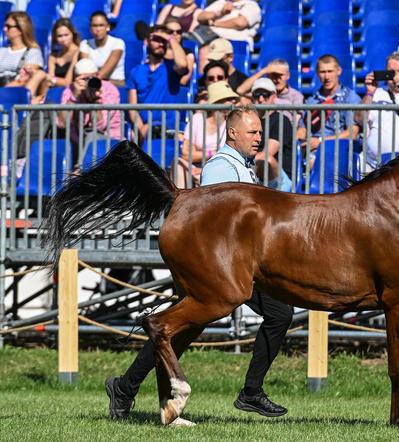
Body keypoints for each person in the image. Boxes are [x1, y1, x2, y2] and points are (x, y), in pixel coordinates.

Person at [106, 106, 293, 425]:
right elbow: (208, 223)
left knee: (273, 315)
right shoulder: (220, 169)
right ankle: (129, 390)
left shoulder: (244, 167)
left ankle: (126, 388)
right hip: (220, 267)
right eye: (253, 132)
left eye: (260, 132)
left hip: (242, 268)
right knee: (182, 327)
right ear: (232, 133)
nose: (259, 138)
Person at [127, 25, 188, 143]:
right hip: (144, 130)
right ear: (146, 41)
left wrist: (170, 39)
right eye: (156, 39)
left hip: (169, 129)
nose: (160, 43)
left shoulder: (172, 67)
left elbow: (182, 64)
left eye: (163, 40)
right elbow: (132, 107)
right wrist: (141, 129)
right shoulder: (136, 71)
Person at [177, 80, 239, 188]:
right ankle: (180, 202)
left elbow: (231, 156)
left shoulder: (232, 124)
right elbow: (186, 154)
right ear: (218, 101)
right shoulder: (197, 119)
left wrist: (204, 169)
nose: (233, 102)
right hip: (194, 169)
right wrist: (212, 153)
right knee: (179, 164)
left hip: (221, 168)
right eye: (229, 99)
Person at [297, 54, 361, 153]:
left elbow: (352, 133)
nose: (327, 77)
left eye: (330, 71)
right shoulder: (312, 100)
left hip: (338, 150)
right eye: (323, 72)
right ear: (317, 74)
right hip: (312, 150)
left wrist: (320, 141)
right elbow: (303, 129)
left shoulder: (350, 98)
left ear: (338, 71)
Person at [59, 58, 121, 151]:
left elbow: (100, 126)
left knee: (92, 135)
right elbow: (62, 123)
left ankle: (83, 164)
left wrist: (93, 100)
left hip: (110, 140)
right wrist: (75, 97)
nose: (88, 82)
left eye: (90, 78)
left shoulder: (109, 90)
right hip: (78, 141)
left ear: (97, 75)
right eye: (84, 79)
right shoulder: (70, 90)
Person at [250, 78, 295, 191]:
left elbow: (267, 154)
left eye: (265, 95)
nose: (261, 99)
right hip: (255, 174)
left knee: (266, 160)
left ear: (274, 96)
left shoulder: (281, 120)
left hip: (279, 180)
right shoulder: (249, 121)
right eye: (257, 95)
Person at [237, 58, 304, 122]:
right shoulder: (260, 94)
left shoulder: (296, 96)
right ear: (268, 76)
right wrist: (264, 71)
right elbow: (240, 90)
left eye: (280, 75)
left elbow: (296, 121)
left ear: (288, 75)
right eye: (274, 75)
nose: (277, 79)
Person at [0, 11, 45, 98]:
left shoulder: (33, 53)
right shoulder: (1, 51)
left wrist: (3, 92)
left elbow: (25, 79)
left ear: (20, 30)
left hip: (16, 93)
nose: (4, 29)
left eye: (8, 27)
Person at [79, 11, 125, 87]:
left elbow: (104, 74)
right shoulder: (85, 44)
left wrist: (87, 76)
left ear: (108, 27)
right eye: (94, 26)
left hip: (115, 84)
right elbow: (84, 70)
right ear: (90, 28)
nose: (98, 29)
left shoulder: (118, 43)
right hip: (92, 85)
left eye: (101, 25)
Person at [46, 18, 80, 89]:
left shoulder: (78, 52)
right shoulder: (53, 56)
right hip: (54, 90)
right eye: (59, 36)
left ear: (72, 34)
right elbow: (49, 81)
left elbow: (68, 82)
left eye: (66, 35)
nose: (63, 39)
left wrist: (50, 79)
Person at [163, 17, 195, 85]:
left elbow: (184, 80)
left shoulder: (188, 53)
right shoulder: (158, 52)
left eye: (178, 32)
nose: (175, 34)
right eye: (170, 32)